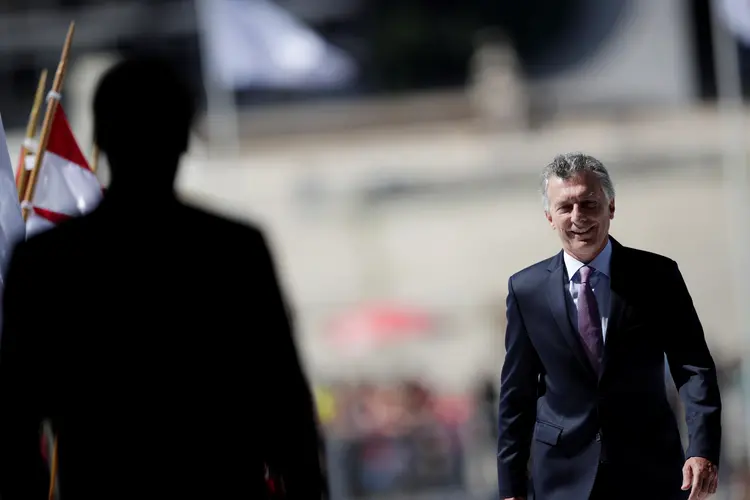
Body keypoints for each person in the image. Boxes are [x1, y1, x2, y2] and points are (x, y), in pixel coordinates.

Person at [0, 56, 326, 500]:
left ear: (101, 137)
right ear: (184, 136)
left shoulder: (46, 262)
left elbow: (16, 419)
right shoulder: (234, 251)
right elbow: (286, 404)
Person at [496, 153, 722, 500]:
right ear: (549, 217)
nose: (578, 217)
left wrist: (702, 449)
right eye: (565, 207)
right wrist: (511, 486)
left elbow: (692, 367)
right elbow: (517, 394)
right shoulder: (526, 290)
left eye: (589, 203)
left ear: (611, 207)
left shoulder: (657, 277)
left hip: (650, 470)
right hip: (561, 476)